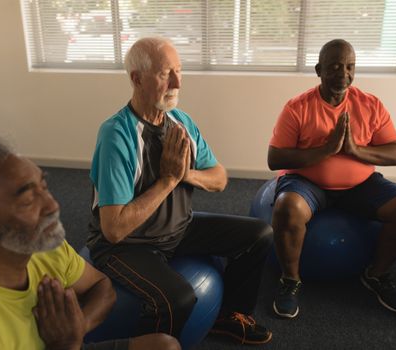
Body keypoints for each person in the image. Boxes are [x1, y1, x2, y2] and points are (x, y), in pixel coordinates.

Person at [0, 136, 180, 350]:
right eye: (27, 200)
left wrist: (76, 328)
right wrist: (66, 345)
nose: (52, 205)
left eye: (44, 187)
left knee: (165, 345)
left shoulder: (39, 244)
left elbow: (101, 287)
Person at [87, 37, 273, 346]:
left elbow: (219, 178)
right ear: (137, 78)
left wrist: (186, 174)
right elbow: (114, 229)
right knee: (179, 299)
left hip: (177, 228)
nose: (177, 82)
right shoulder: (116, 136)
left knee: (259, 235)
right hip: (127, 246)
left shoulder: (180, 121)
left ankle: (228, 317)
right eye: (164, 73)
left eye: (179, 70)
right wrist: (169, 181)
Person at [268, 39, 396, 319]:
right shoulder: (297, 107)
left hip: (360, 185)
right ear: (319, 70)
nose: (343, 74)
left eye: (350, 67)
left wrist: (354, 150)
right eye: (335, 66)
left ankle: (376, 275)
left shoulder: (371, 105)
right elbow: (275, 159)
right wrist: (326, 150)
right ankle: (290, 280)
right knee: (287, 208)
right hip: (307, 183)